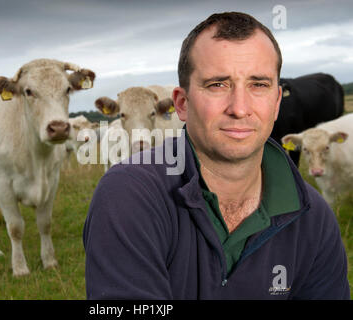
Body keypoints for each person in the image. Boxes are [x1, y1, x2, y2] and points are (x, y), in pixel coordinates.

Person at [83, 12, 350, 299]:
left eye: (258, 85)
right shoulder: (129, 196)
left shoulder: (313, 216)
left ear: (276, 104)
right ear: (182, 104)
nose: (239, 108)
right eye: (217, 85)